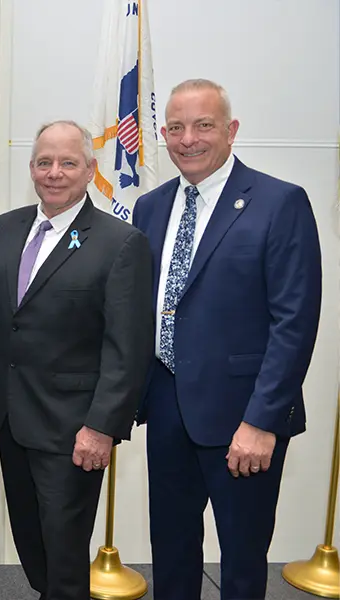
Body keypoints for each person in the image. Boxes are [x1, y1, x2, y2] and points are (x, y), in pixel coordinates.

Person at [132, 79, 322, 600]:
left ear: (231, 130)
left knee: (241, 558)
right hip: (167, 401)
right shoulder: (150, 207)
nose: (187, 138)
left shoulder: (280, 202)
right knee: (170, 548)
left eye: (203, 125)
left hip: (245, 415)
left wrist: (262, 421)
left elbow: (295, 322)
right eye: (175, 127)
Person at [0, 120, 154, 600]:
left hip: (73, 430)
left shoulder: (119, 242)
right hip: (11, 418)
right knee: (31, 544)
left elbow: (127, 348)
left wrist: (102, 427)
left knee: (65, 554)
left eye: (68, 162)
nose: (54, 173)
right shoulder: (7, 228)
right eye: (44, 162)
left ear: (90, 170)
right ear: (31, 168)